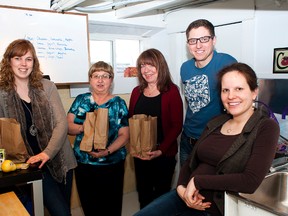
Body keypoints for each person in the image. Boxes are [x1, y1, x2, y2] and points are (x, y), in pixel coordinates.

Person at [133, 62, 280, 216]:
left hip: (211, 206)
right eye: (225, 90)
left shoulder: (265, 127)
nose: (231, 96)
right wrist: (181, 188)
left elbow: (250, 181)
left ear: (254, 92)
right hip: (183, 196)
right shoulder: (216, 122)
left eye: (239, 89)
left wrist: (198, 181)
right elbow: (190, 161)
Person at [0, 39, 77, 216]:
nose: (23, 64)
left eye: (28, 59)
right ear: (9, 61)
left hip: (60, 160)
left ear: (34, 62)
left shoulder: (47, 86)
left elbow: (61, 124)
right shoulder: (2, 93)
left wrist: (46, 153)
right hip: (30, 165)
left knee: (64, 209)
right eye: (18, 58)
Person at [67, 61, 129, 216]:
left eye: (105, 76)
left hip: (112, 163)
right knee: (89, 205)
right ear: (90, 80)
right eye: (96, 76)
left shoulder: (119, 103)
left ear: (111, 80)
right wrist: (83, 128)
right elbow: (67, 126)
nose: (100, 80)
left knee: (111, 206)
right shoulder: (81, 100)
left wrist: (107, 151)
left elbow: (125, 135)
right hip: (83, 163)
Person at [129, 48, 183, 209]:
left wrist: (161, 150)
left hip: (163, 155)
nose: (146, 70)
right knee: (143, 194)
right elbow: (131, 120)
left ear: (160, 66)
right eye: (142, 66)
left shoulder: (171, 91)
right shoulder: (136, 92)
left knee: (161, 198)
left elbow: (176, 125)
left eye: (150, 65)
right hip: (140, 154)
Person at [180, 19, 237, 166]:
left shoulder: (227, 63)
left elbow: (240, 100)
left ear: (214, 40)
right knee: (184, 185)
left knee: (206, 186)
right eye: (193, 41)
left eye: (204, 39)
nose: (198, 45)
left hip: (213, 139)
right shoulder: (185, 68)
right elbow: (190, 102)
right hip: (187, 139)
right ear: (188, 44)